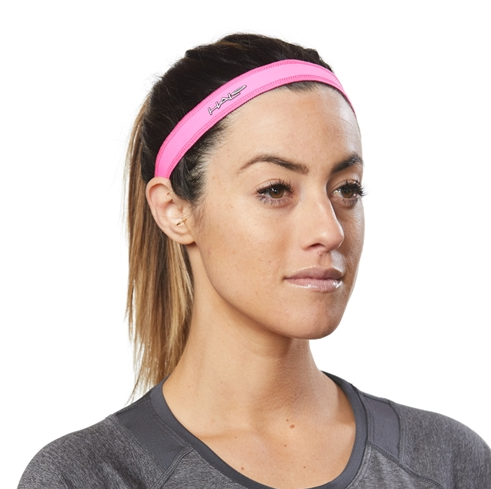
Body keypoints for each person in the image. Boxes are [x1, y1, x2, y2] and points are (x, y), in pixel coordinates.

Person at [19, 33, 491, 489]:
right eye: (275, 189)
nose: (330, 231)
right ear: (175, 211)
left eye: (347, 188)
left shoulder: (447, 462)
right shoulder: (85, 478)